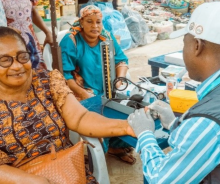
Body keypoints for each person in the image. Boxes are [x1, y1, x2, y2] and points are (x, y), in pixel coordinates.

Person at [0, 26, 135, 184]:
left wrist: (126, 126)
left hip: (66, 170)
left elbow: (80, 118)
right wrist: (33, 181)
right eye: (4, 60)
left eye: (22, 56)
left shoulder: (47, 81)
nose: (16, 66)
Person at [128, 2, 220, 184]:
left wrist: (145, 134)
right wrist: (174, 123)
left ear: (197, 46)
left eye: (183, 43)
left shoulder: (206, 121)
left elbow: (161, 179)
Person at [60, 5, 136, 164]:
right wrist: (85, 95)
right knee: (99, 116)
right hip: (80, 90)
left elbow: (121, 60)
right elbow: (65, 76)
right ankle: (99, 158)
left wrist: (119, 80)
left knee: (130, 111)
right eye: (89, 21)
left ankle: (115, 146)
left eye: (98, 22)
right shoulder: (71, 40)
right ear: (81, 22)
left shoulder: (106, 36)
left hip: (107, 87)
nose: (95, 26)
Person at [2, 0, 53, 68]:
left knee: (36, 69)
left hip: (31, 41)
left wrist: (47, 32)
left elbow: (32, 12)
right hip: (9, 42)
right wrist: (8, 30)